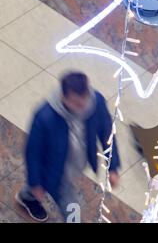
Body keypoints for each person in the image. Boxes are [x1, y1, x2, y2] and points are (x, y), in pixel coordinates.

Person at [16, 72, 121, 222]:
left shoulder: (96, 102)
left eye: (83, 101)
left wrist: (113, 166)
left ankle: (28, 196)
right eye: (76, 103)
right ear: (63, 97)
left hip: (74, 162)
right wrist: (35, 182)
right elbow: (32, 153)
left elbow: (106, 132)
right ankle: (33, 191)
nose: (82, 107)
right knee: (72, 210)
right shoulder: (45, 116)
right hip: (57, 171)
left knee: (40, 186)